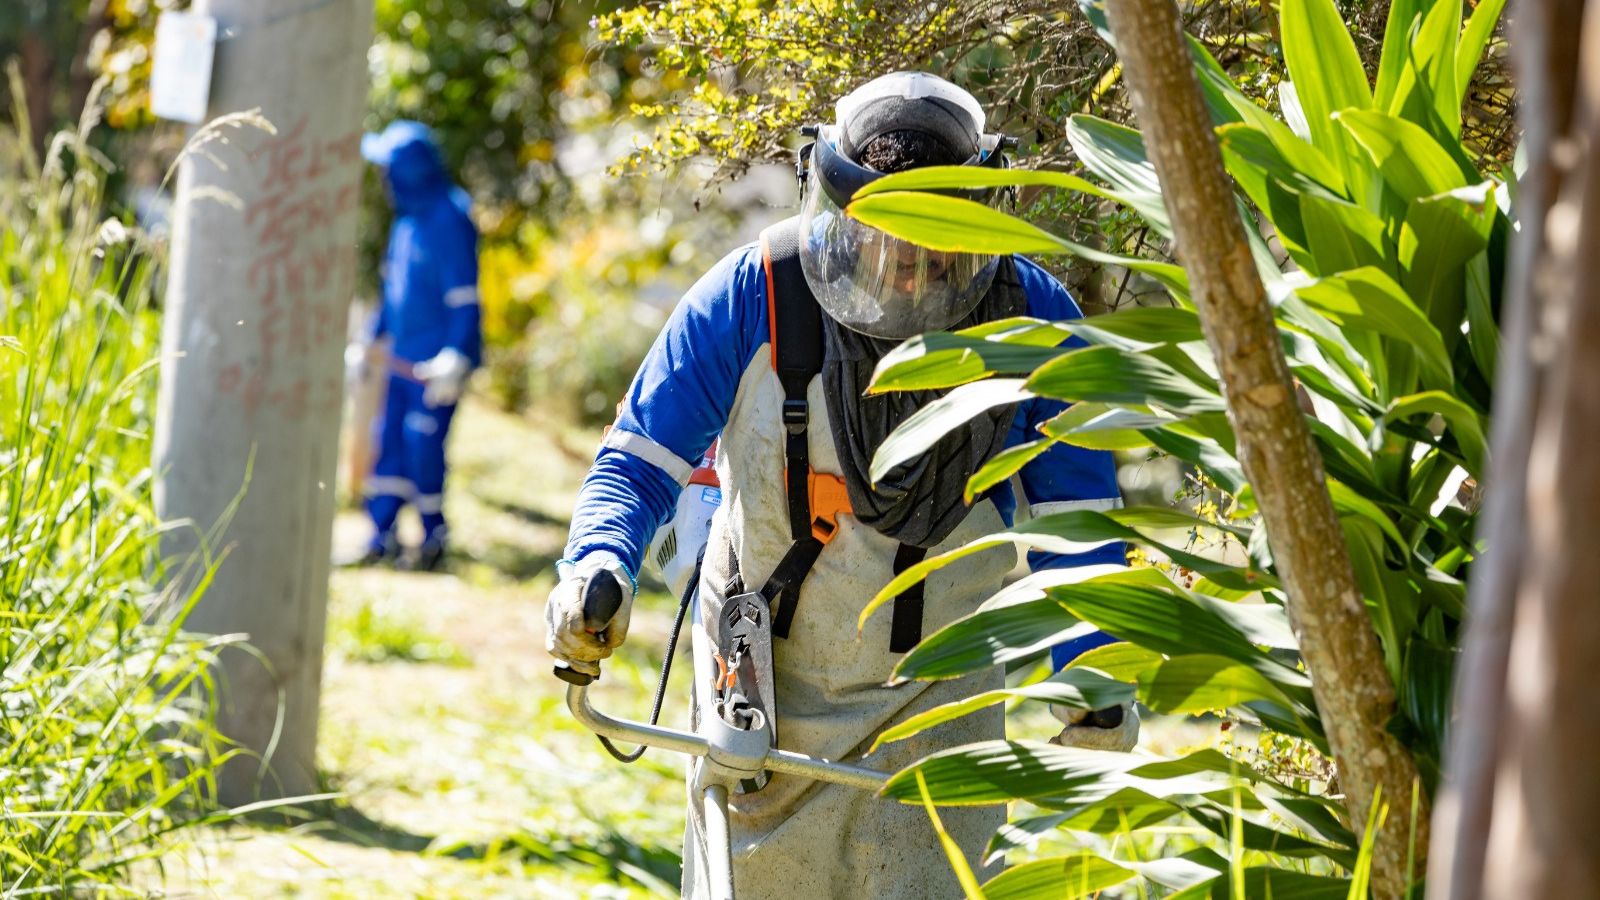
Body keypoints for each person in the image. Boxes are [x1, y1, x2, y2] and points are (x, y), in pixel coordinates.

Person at [546, 72, 1136, 898]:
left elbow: (1076, 528)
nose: (901, 274)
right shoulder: (753, 294)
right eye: (878, 240)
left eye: (932, 248)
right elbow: (640, 463)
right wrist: (597, 569)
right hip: (764, 678)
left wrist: (1094, 671)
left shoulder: (1037, 326)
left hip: (940, 696)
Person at [344, 121, 481, 571]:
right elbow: (394, 289)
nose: (383, 178)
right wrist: (368, 339)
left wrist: (457, 357)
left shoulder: (449, 216)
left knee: (424, 449)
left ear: (410, 171)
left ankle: (432, 539)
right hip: (400, 361)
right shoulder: (406, 219)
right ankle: (379, 538)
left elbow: (465, 298)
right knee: (391, 446)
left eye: (389, 168)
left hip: (436, 367)